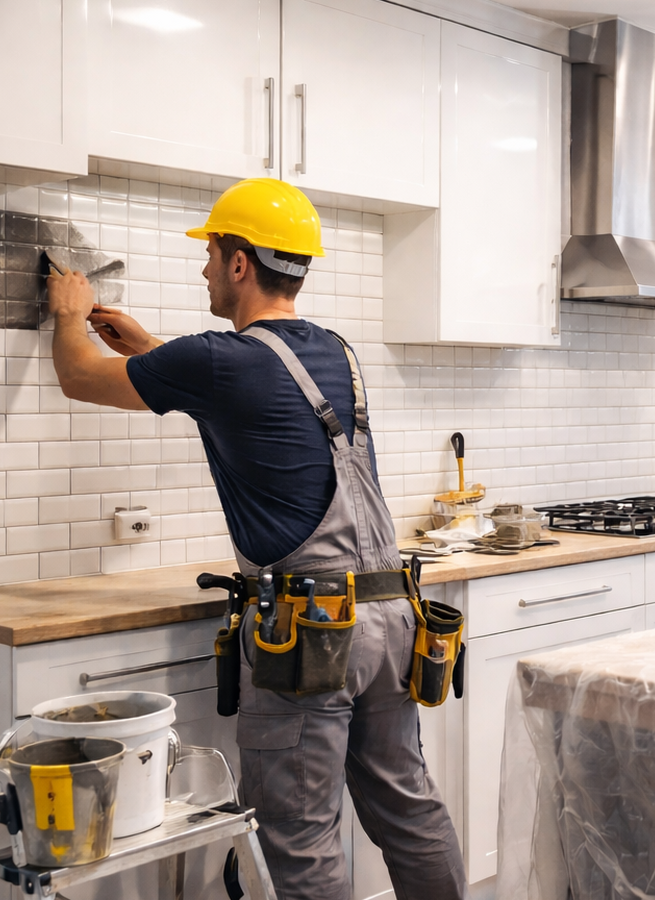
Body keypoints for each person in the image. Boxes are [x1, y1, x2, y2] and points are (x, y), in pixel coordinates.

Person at [47, 177, 466, 900]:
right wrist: (151, 348)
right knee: (408, 807)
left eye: (211, 253)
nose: (204, 268)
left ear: (240, 263)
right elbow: (245, 392)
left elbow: (80, 377)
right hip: (393, 616)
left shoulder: (217, 361)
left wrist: (69, 315)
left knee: (299, 835)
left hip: (313, 634)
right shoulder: (335, 351)